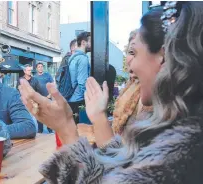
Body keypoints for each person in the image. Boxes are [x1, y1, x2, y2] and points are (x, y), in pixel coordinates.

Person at [20, 2, 203, 183]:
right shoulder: (179, 127)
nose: (130, 63)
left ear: (163, 56)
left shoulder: (181, 150)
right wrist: (98, 116)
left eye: (134, 52)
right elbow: (127, 167)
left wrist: (66, 128)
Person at [68, 32, 91, 124]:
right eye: (90, 41)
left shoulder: (73, 57)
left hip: (71, 98)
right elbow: (82, 82)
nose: (92, 44)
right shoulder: (82, 59)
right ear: (83, 42)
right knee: (81, 132)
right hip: (79, 100)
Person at [34, 62, 53, 133]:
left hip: (48, 98)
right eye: (39, 67)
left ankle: (50, 130)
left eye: (41, 66)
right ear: (36, 68)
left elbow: (53, 85)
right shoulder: (34, 77)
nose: (40, 68)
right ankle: (40, 131)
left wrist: (50, 94)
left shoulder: (47, 75)